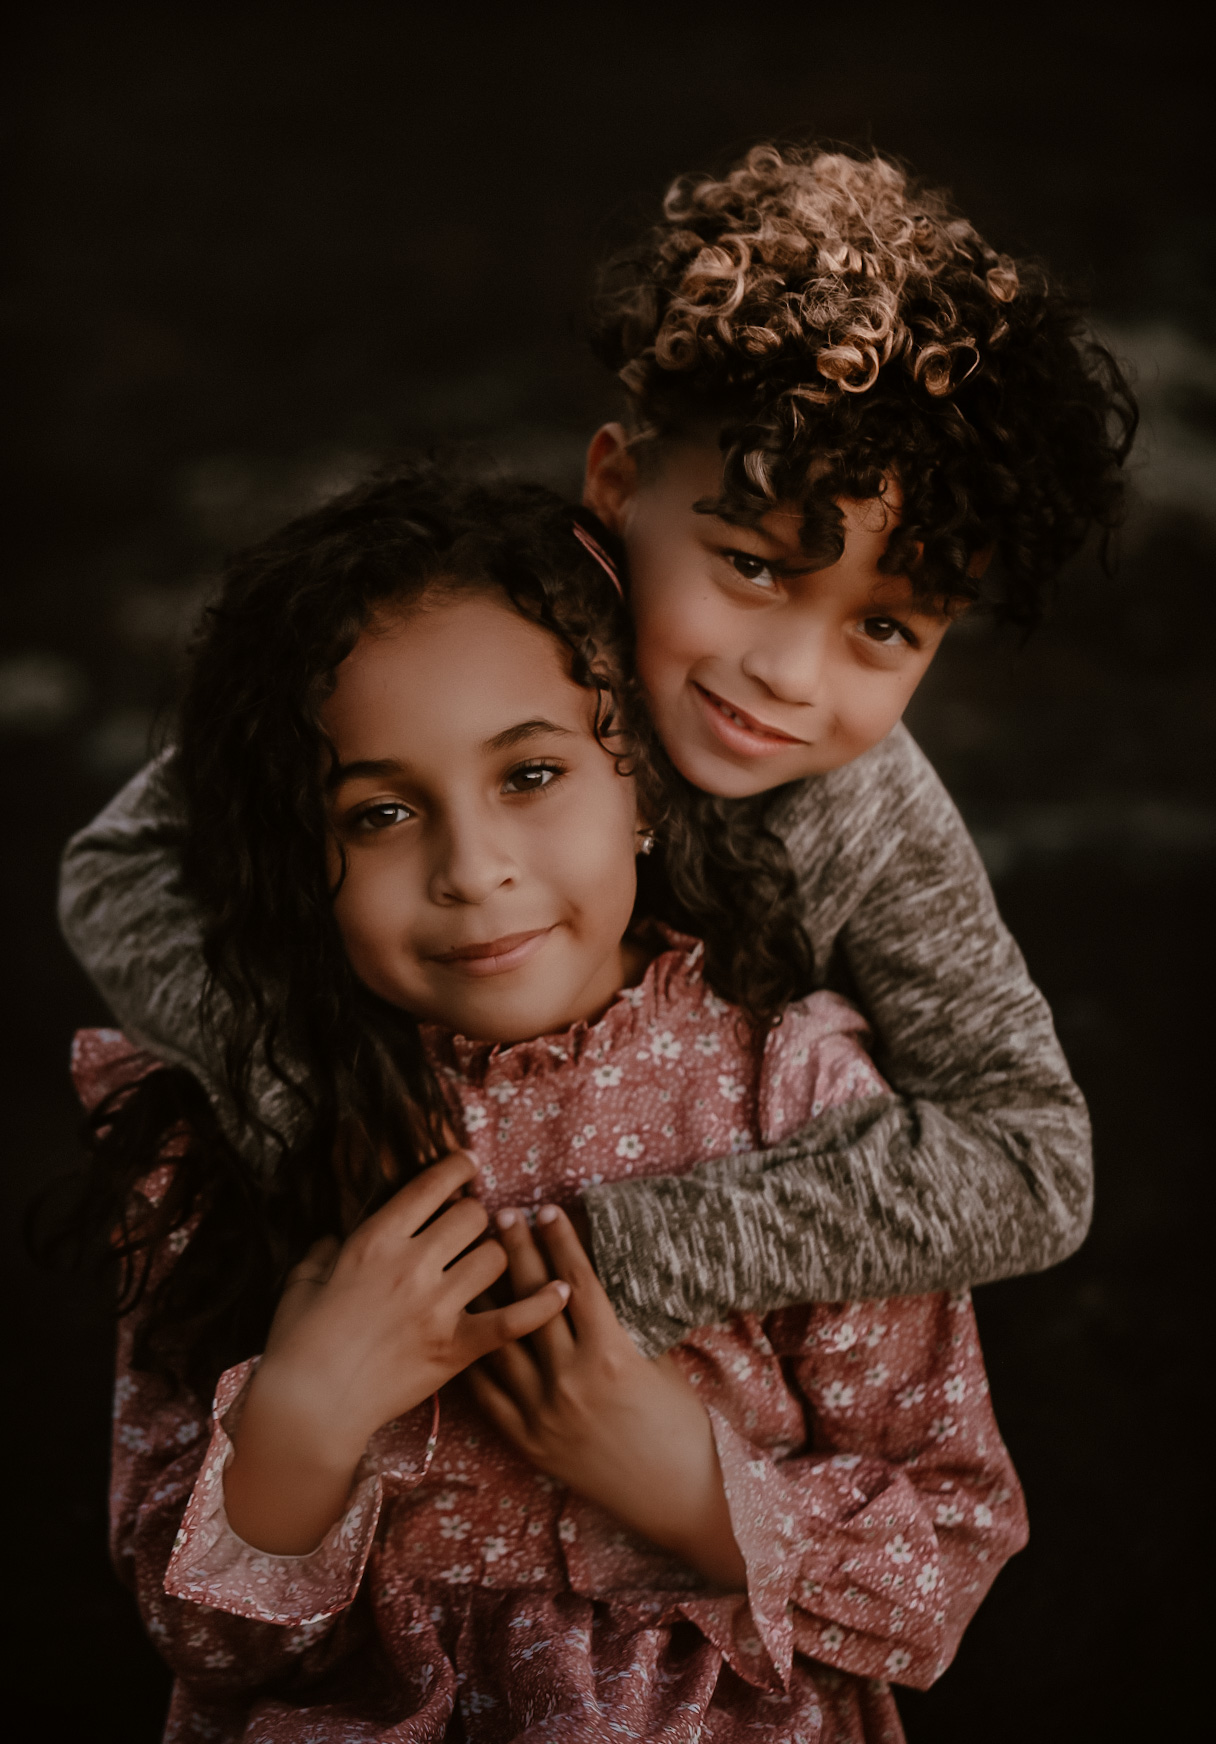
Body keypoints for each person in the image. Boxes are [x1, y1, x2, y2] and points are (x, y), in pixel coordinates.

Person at [59, 143, 1136, 1357]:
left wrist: (617, 1255)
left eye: (883, 626)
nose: (790, 673)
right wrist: (303, 1097)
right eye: (752, 564)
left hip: (693, 1379)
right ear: (616, 487)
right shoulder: (477, 640)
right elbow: (117, 869)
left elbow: (1031, 1157)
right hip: (369, 1303)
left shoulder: (865, 811)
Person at [69, 469, 1026, 1740]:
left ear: (642, 786)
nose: (472, 870)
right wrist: (302, 1423)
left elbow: (943, 1565)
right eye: (383, 811)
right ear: (300, 854)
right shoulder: (233, 1125)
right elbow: (203, 1641)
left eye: (529, 775)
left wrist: (687, 1489)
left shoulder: (797, 1106)